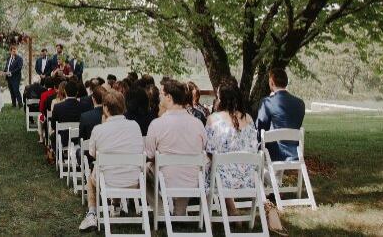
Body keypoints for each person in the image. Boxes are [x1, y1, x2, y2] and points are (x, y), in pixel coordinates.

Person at [79, 91, 144, 231]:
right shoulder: (135, 126)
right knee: (118, 167)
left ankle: (91, 213)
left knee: (92, 177)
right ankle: (115, 205)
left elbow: (92, 154)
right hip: (134, 181)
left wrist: (103, 125)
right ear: (123, 108)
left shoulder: (99, 129)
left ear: (106, 108)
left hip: (107, 181)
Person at [145, 80, 206, 216]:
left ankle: (160, 210)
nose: (159, 97)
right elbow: (203, 148)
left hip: (166, 180)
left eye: (161, 93)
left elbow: (148, 154)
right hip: (193, 180)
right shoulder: (197, 124)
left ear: (169, 97)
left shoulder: (157, 124)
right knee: (184, 167)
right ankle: (180, 211)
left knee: (143, 169)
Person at [205, 82, 258, 214]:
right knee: (220, 166)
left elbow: (208, 150)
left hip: (224, 179)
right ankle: (232, 209)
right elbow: (254, 149)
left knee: (208, 166)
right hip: (249, 178)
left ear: (221, 99)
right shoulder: (249, 119)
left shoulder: (213, 119)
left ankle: (206, 217)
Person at [255, 68, 305, 161]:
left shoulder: (267, 102)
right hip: (296, 153)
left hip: (274, 153)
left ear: (272, 82)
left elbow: (260, 128)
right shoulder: (300, 103)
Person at [50, 80, 84, 149]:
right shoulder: (84, 106)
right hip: (78, 139)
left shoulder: (57, 107)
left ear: (65, 91)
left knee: (53, 136)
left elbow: (53, 126)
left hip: (63, 140)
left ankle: (57, 154)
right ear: (77, 92)